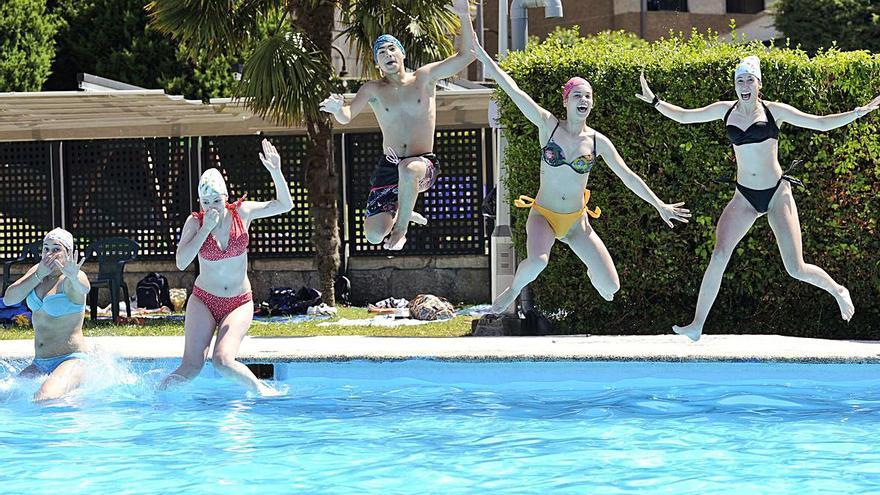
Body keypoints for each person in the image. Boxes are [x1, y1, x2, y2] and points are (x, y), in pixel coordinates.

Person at [636, 56, 880, 341]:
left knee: (795, 268)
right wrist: (655, 102)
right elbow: (684, 115)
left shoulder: (774, 112)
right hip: (745, 196)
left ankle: (838, 290)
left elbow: (820, 123)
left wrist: (857, 112)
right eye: (739, 80)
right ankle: (697, 325)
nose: (744, 85)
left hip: (776, 193)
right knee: (719, 253)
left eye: (749, 80)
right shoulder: (724, 111)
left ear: (759, 84)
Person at [472, 36, 690, 314]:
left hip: (576, 221)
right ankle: (514, 289)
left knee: (611, 288)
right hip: (544, 216)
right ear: (566, 101)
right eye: (577, 95)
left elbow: (628, 176)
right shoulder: (548, 126)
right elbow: (513, 91)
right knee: (538, 262)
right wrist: (484, 57)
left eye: (588, 96)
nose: (583, 99)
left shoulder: (598, 142)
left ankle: (591, 271)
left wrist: (659, 205)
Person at [319, 0, 475, 250]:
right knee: (373, 235)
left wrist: (464, 16)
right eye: (381, 53)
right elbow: (347, 115)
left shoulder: (424, 78)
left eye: (392, 49)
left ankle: (401, 226)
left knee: (409, 168)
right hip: (389, 167)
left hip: (423, 164)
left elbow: (467, 55)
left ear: (402, 54)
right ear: (377, 64)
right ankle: (404, 211)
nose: (388, 55)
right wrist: (338, 109)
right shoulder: (374, 89)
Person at [160, 139, 292, 394]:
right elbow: (181, 261)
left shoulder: (242, 213)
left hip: (238, 301)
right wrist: (205, 229)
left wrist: (276, 172)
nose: (211, 207)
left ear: (226, 198)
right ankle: (154, 398)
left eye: (216, 201)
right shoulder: (194, 223)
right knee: (191, 367)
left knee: (222, 360)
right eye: (205, 202)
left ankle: (261, 391)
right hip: (203, 300)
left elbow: (284, 205)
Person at [3, 228, 89, 401]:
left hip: (70, 360)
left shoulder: (72, 277)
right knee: (5, 397)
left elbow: (84, 288)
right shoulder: (38, 271)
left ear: (68, 253)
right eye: (46, 249)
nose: (50, 254)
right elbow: (9, 299)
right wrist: (38, 274)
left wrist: (73, 277)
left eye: (56, 249)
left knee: (44, 397)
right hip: (40, 363)